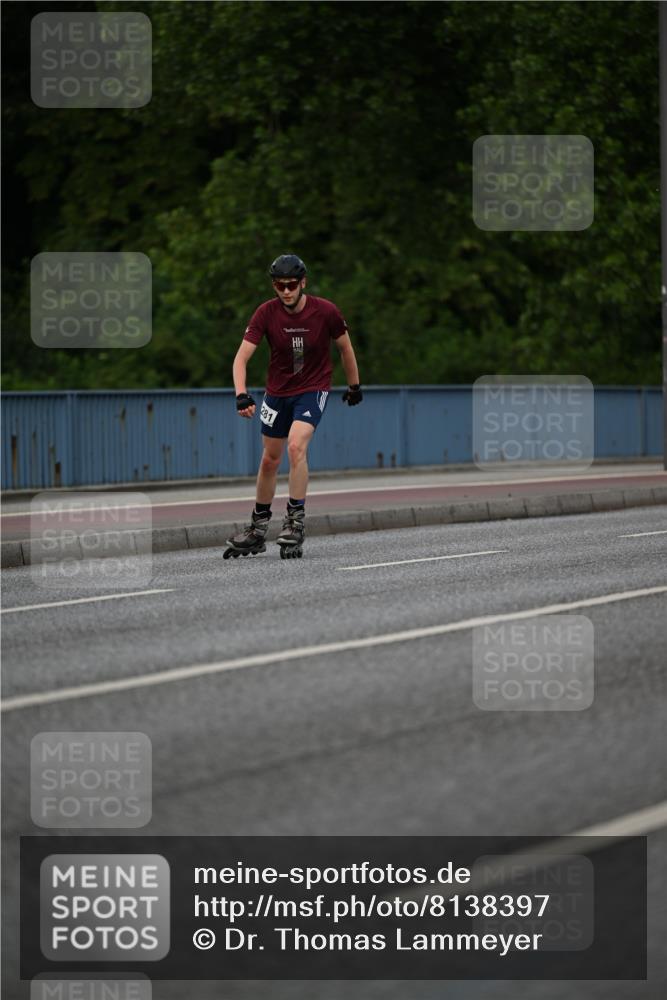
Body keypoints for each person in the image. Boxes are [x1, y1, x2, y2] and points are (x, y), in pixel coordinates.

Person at [224, 253, 362, 560]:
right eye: (279, 285)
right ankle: (258, 530)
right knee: (269, 460)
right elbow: (241, 358)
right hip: (277, 394)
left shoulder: (325, 311)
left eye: (291, 285)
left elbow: (345, 349)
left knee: (296, 447)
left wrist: (354, 385)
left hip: (312, 389)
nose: (285, 291)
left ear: (303, 283)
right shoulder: (266, 313)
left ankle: (294, 522)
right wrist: (241, 394)